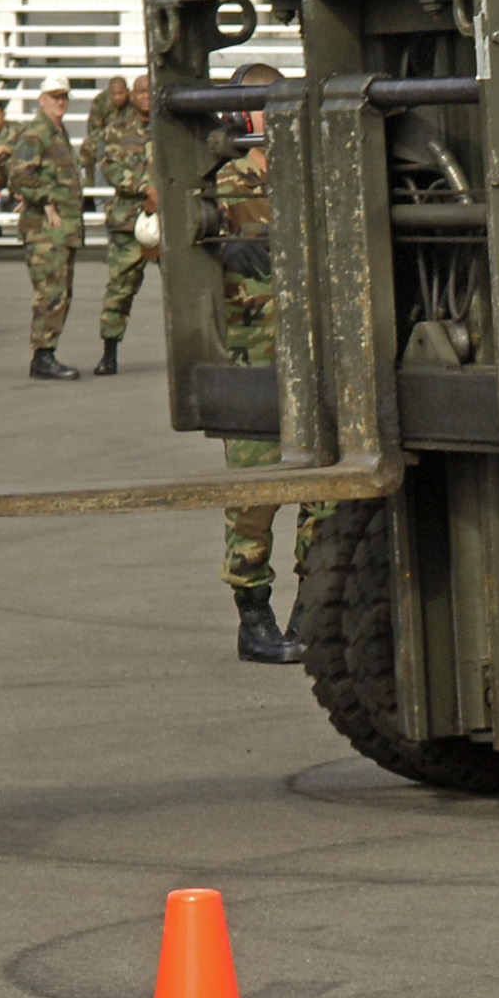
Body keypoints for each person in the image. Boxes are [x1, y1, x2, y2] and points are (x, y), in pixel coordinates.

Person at [212, 64, 327, 663]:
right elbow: (161, 241)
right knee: (255, 497)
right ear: (240, 114)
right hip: (251, 359)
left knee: (325, 493)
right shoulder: (220, 183)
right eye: (262, 105)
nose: (272, 117)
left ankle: (311, 611)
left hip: (312, 356)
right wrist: (221, 245)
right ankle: (253, 620)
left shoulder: (304, 175)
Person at [11, 78, 89, 380]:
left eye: (65, 97)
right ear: (42, 99)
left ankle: (47, 352)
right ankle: (42, 356)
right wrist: (46, 202)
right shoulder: (37, 132)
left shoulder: (56, 131)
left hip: (62, 230)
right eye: (55, 97)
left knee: (61, 293)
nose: (61, 102)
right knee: (50, 293)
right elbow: (19, 176)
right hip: (45, 231)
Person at [90, 72, 157, 376]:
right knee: (120, 288)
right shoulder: (115, 130)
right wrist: (145, 188)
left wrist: (161, 192)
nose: (146, 96)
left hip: (170, 216)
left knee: (186, 286)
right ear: (132, 95)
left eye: (150, 91)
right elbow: (111, 168)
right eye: (141, 92)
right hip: (129, 221)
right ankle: (109, 351)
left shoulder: (172, 127)